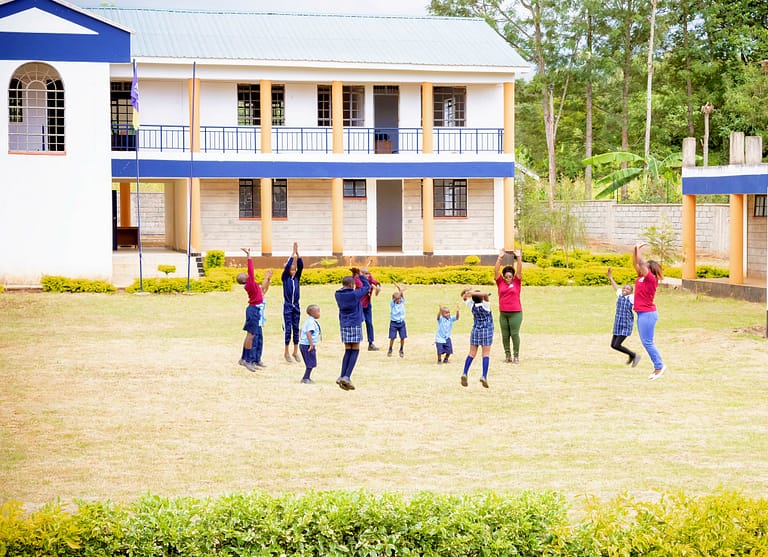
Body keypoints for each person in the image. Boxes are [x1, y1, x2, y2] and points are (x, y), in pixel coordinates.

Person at [632, 242, 666, 380]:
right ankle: (658, 366)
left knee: (647, 342)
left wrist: (638, 249)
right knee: (647, 341)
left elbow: (640, 261)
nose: (641, 267)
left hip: (647, 314)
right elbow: (636, 262)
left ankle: (659, 366)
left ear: (649, 269)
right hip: (642, 314)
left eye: (645, 267)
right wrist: (635, 250)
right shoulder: (641, 278)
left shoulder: (651, 280)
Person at [236, 248, 272, 372]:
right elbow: (250, 269)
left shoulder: (251, 284)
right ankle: (248, 360)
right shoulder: (250, 283)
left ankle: (246, 358)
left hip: (254, 310)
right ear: (245, 279)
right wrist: (249, 256)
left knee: (251, 335)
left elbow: (262, 289)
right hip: (253, 311)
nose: (247, 274)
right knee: (251, 336)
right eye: (245, 275)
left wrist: (267, 278)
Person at [334, 272, 370, 390]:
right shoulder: (354, 295)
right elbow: (367, 287)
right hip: (354, 323)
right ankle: (347, 376)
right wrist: (360, 276)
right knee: (355, 349)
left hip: (344, 324)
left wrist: (354, 276)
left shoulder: (338, 294)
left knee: (347, 350)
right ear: (351, 285)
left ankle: (342, 375)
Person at [607, 267, 641, 367]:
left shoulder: (631, 298)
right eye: (624, 288)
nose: (625, 290)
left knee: (617, 344)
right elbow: (616, 287)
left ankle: (634, 355)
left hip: (626, 324)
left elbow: (640, 295)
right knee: (613, 345)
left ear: (631, 292)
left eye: (628, 289)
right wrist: (610, 277)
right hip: (618, 323)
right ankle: (631, 355)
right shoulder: (620, 295)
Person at [460, 287, 494, 388]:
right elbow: (486, 295)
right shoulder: (486, 305)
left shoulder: (472, 306)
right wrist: (473, 293)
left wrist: (466, 291)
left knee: (471, 353)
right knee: (485, 354)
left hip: (475, 330)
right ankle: (484, 375)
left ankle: (465, 372)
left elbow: (463, 296)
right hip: (486, 330)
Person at [494, 247, 523, 364]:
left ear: (513, 277)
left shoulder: (517, 282)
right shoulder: (500, 282)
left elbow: (520, 271)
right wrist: (500, 258)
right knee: (505, 335)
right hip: (503, 313)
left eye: (510, 276)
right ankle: (508, 356)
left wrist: (519, 257)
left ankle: (516, 355)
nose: (507, 279)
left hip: (515, 313)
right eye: (506, 276)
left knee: (514, 334)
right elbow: (496, 272)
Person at [282, 242, 303, 363]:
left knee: (296, 328)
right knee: (288, 329)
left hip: (296, 306)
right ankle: (286, 352)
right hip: (288, 306)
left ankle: (295, 352)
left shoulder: (297, 278)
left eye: (294, 270)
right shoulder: (285, 278)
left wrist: (298, 254)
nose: (293, 271)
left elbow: (301, 266)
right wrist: (292, 254)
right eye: (291, 270)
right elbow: (287, 267)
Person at [298, 304, 321, 384]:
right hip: (307, 345)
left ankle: (307, 377)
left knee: (311, 362)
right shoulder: (311, 322)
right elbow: (308, 333)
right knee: (310, 362)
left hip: (304, 344)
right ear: (312, 313)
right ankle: (306, 378)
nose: (319, 313)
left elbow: (301, 330)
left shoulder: (309, 321)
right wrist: (311, 344)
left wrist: (301, 339)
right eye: (318, 311)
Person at [360, 266, 382, 351]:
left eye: (368, 274)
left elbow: (376, 282)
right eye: (365, 274)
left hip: (367, 304)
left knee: (369, 323)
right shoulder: (358, 279)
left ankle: (371, 343)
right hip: (359, 305)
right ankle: (354, 342)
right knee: (358, 323)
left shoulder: (369, 278)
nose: (367, 276)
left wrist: (378, 286)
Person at [387, 282, 408, 357]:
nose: (398, 300)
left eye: (399, 298)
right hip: (394, 323)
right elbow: (398, 295)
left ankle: (401, 349)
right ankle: (390, 349)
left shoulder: (402, 302)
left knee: (402, 337)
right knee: (392, 337)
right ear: (394, 299)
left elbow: (401, 295)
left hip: (401, 323)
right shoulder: (392, 304)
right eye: (397, 299)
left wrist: (399, 288)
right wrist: (400, 290)